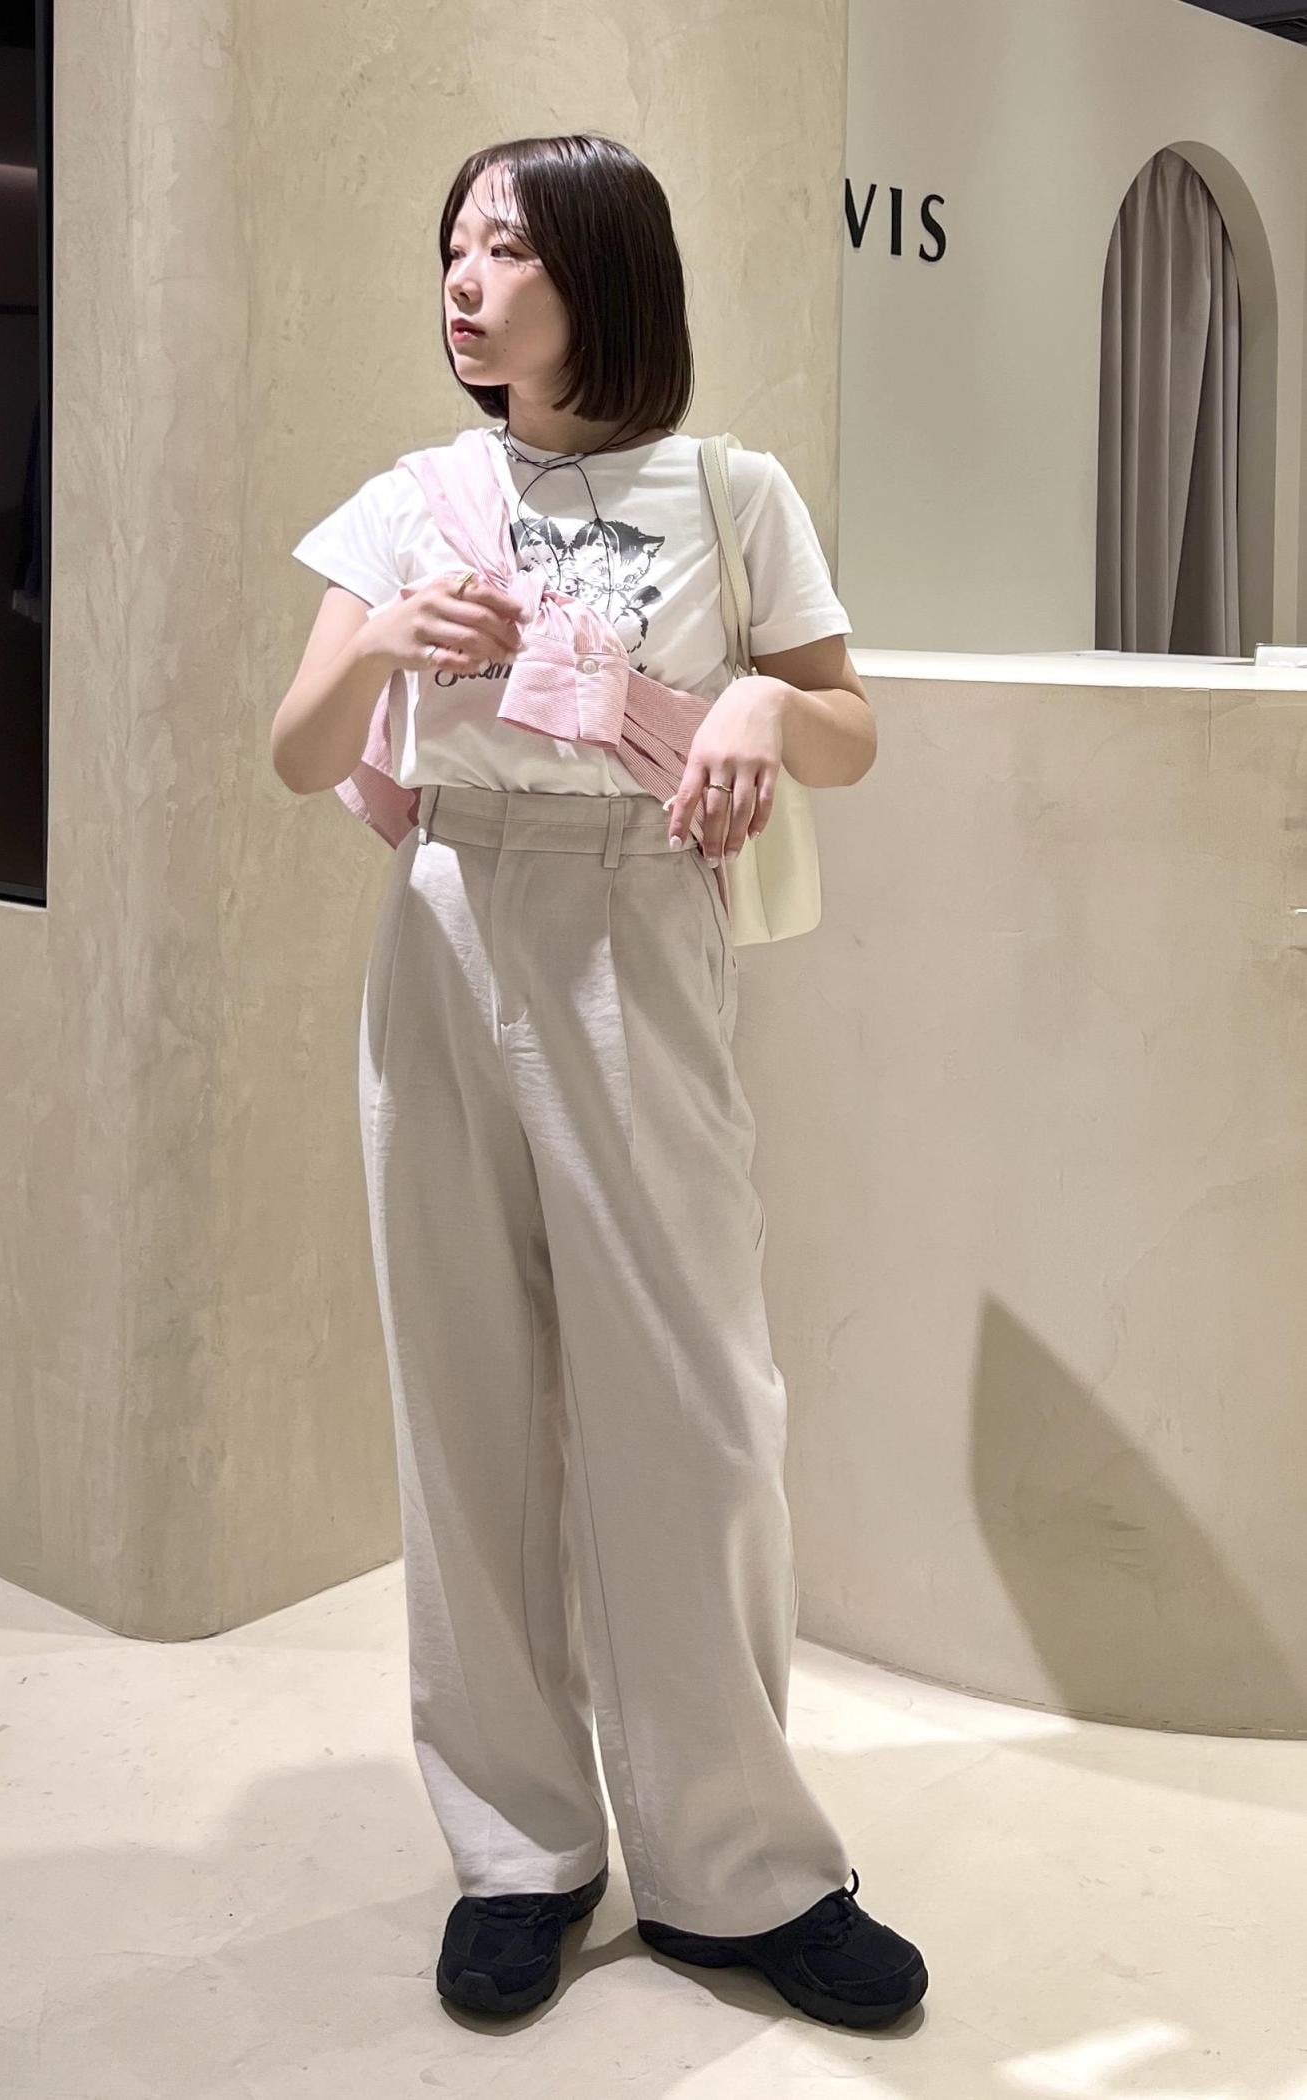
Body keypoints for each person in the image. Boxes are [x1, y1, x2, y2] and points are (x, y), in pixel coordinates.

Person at [272, 133, 927, 2031]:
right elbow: (298, 749)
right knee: (466, 1401)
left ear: (602, 274)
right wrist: (383, 644)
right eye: (454, 248)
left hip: (637, 923)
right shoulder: (407, 501)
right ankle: (520, 1852)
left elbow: (852, 729)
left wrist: (759, 700)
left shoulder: (730, 490)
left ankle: (741, 1869)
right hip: (448, 914)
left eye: (507, 250)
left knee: (700, 1410)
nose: (465, 282)